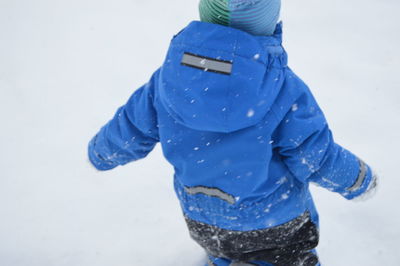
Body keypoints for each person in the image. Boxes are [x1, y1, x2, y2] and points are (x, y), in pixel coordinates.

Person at [88, 0, 378, 265]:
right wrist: (358, 180)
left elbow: (130, 127)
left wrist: (101, 153)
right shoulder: (283, 88)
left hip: (204, 217)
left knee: (225, 250)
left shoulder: (166, 81)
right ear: (268, 23)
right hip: (274, 222)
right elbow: (315, 156)